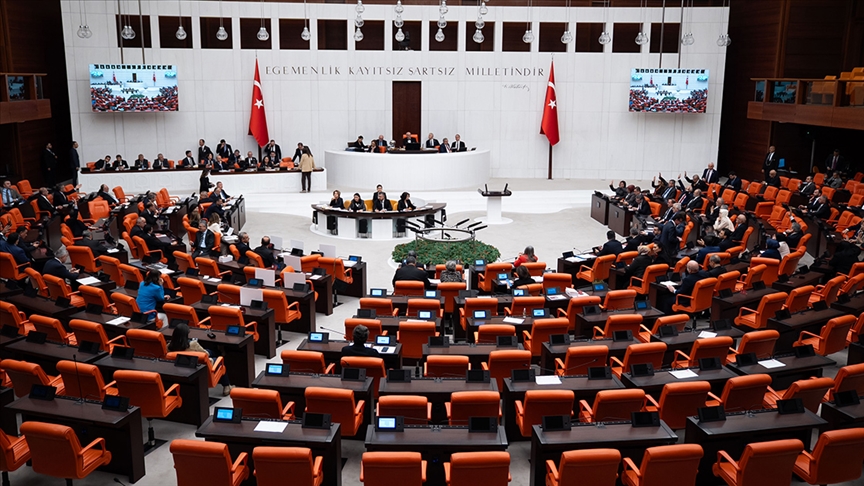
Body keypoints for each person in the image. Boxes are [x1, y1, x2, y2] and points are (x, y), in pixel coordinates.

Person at [168, 322, 233, 395]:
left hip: (183, 372)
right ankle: (227, 386)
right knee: (216, 357)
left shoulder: (169, 347)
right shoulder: (193, 344)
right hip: (201, 370)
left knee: (211, 351)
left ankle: (219, 351)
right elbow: (205, 355)